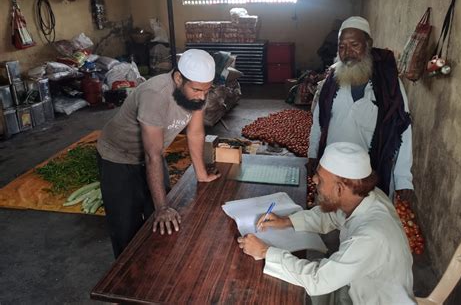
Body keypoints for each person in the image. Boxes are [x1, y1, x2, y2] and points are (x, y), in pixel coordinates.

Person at [238, 142, 416, 305]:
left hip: (369, 300)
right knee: (293, 278)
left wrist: (264, 251)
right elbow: (331, 217)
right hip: (356, 286)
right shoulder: (367, 197)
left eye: (320, 179)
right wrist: (287, 221)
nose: (314, 180)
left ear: (340, 189)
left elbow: (319, 280)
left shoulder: (371, 236)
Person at [97, 49, 221, 258]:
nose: (202, 96)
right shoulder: (155, 95)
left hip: (153, 154)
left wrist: (201, 174)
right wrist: (162, 207)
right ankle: (127, 278)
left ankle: (155, 268)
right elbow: (152, 155)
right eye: (197, 89)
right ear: (179, 78)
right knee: (126, 226)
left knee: (164, 220)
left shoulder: (199, 93)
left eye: (206, 90)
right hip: (117, 156)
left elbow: (195, 133)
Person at [307, 16, 413, 200]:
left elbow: (403, 130)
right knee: (326, 218)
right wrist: (312, 154)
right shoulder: (332, 81)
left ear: (368, 45)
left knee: (362, 219)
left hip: (368, 173)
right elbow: (318, 121)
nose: (347, 52)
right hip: (332, 170)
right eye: (341, 46)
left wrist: (403, 178)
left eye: (354, 44)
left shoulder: (389, 85)